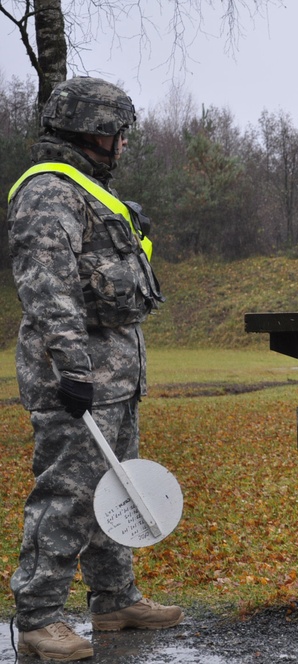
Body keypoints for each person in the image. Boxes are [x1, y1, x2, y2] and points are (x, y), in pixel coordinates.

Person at [6, 76, 177, 662]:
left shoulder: (90, 191)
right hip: (75, 380)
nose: (124, 144)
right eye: (118, 133)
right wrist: (73, 370)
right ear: (94, 132)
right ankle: (38, 617)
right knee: (67, 494)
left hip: (115, 379)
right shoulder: (49, 192)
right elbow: (47, 289)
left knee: (116, 489)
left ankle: (114, 600)